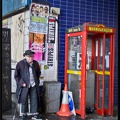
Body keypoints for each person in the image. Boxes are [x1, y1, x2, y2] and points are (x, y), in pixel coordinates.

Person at [14, 50, 41, 120]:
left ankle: (34, 113)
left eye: (32, 56)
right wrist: (22, 82)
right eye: (29, 57)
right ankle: (24, 113)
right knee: (24, 99)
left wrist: (36, 80)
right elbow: (16, 76)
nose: (31, 58)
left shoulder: (35, 63)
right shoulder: (20, 64)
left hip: (33, 84)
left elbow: (38, 72)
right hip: (24, 85)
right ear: (25, 56)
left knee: (34, 99)